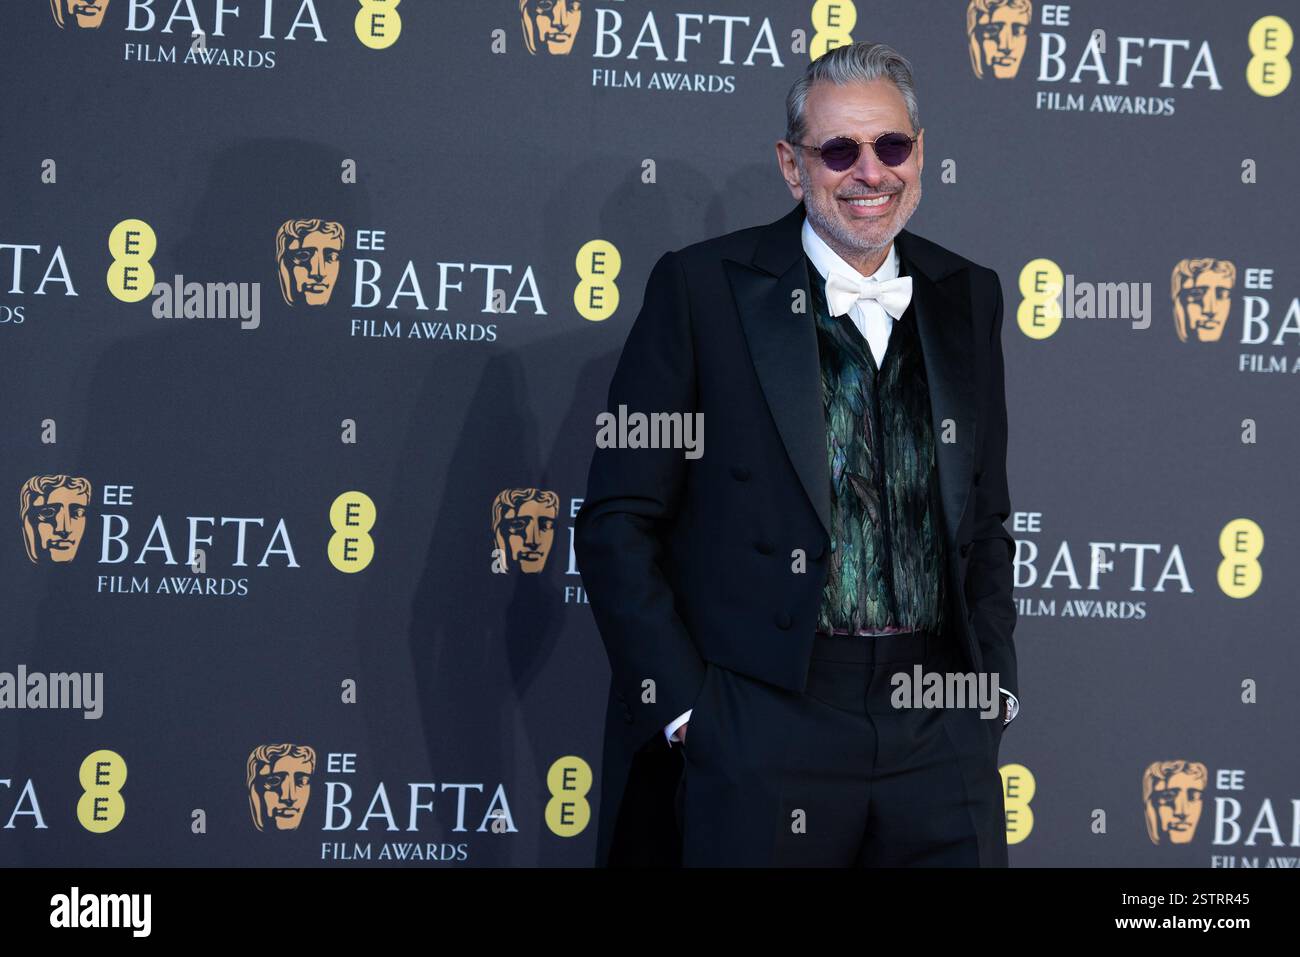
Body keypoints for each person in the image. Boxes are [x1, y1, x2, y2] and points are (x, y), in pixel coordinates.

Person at [575, 40, 1020, 867]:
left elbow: (984, 516)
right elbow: (616, 521)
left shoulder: (970, 294)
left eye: (891, 146)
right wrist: (691, 712)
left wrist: (989, 687)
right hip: (768, 713)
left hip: (939, 721)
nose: (869, 173)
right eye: (839, 150)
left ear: (920, 155)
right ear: (792, 165)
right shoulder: (703, 289)